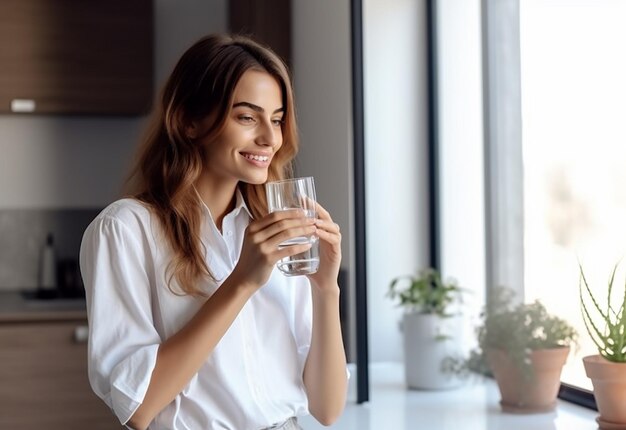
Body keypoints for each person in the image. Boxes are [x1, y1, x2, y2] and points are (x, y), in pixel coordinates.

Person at [79, 33, 348, 430]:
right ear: (188, 121)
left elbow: (327, 409)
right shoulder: (125, 230)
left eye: (276, 119)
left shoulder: (279, 233)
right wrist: (241, 281)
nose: (270, 138)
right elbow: (138, 408)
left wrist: (326, 288)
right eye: (246, 117)